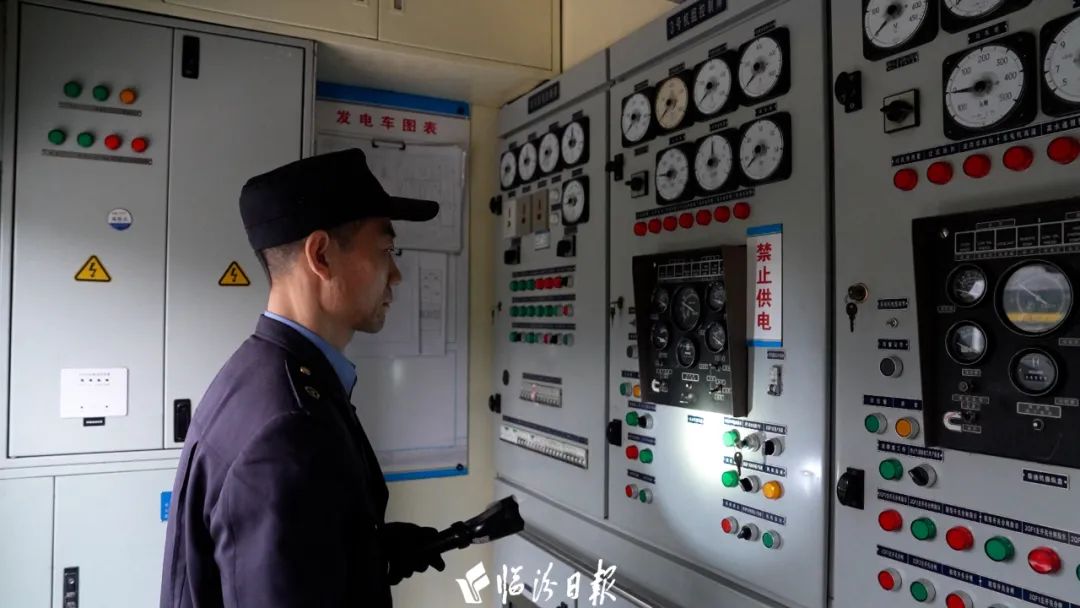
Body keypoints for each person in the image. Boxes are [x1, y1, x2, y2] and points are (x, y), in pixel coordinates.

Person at [160, 148, 446, 608]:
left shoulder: (261, 370)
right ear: (321, 255)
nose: (396, 275)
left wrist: (367, 550)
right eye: (386, 251)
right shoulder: (288, 430)